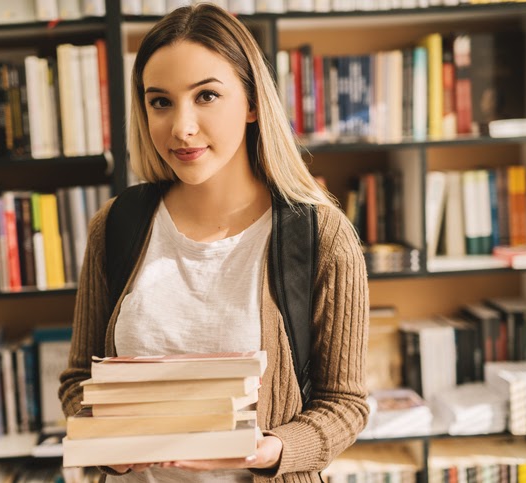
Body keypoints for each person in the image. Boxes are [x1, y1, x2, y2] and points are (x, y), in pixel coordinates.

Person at [59, 4, 369, 482]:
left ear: (250, 103)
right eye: (160, 101)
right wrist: (106, 444)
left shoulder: (320, 236)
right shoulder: (117, 224)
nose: (181, 127)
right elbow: (79, 380)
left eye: (206, 96)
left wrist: (274, 450)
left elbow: (344, 404)